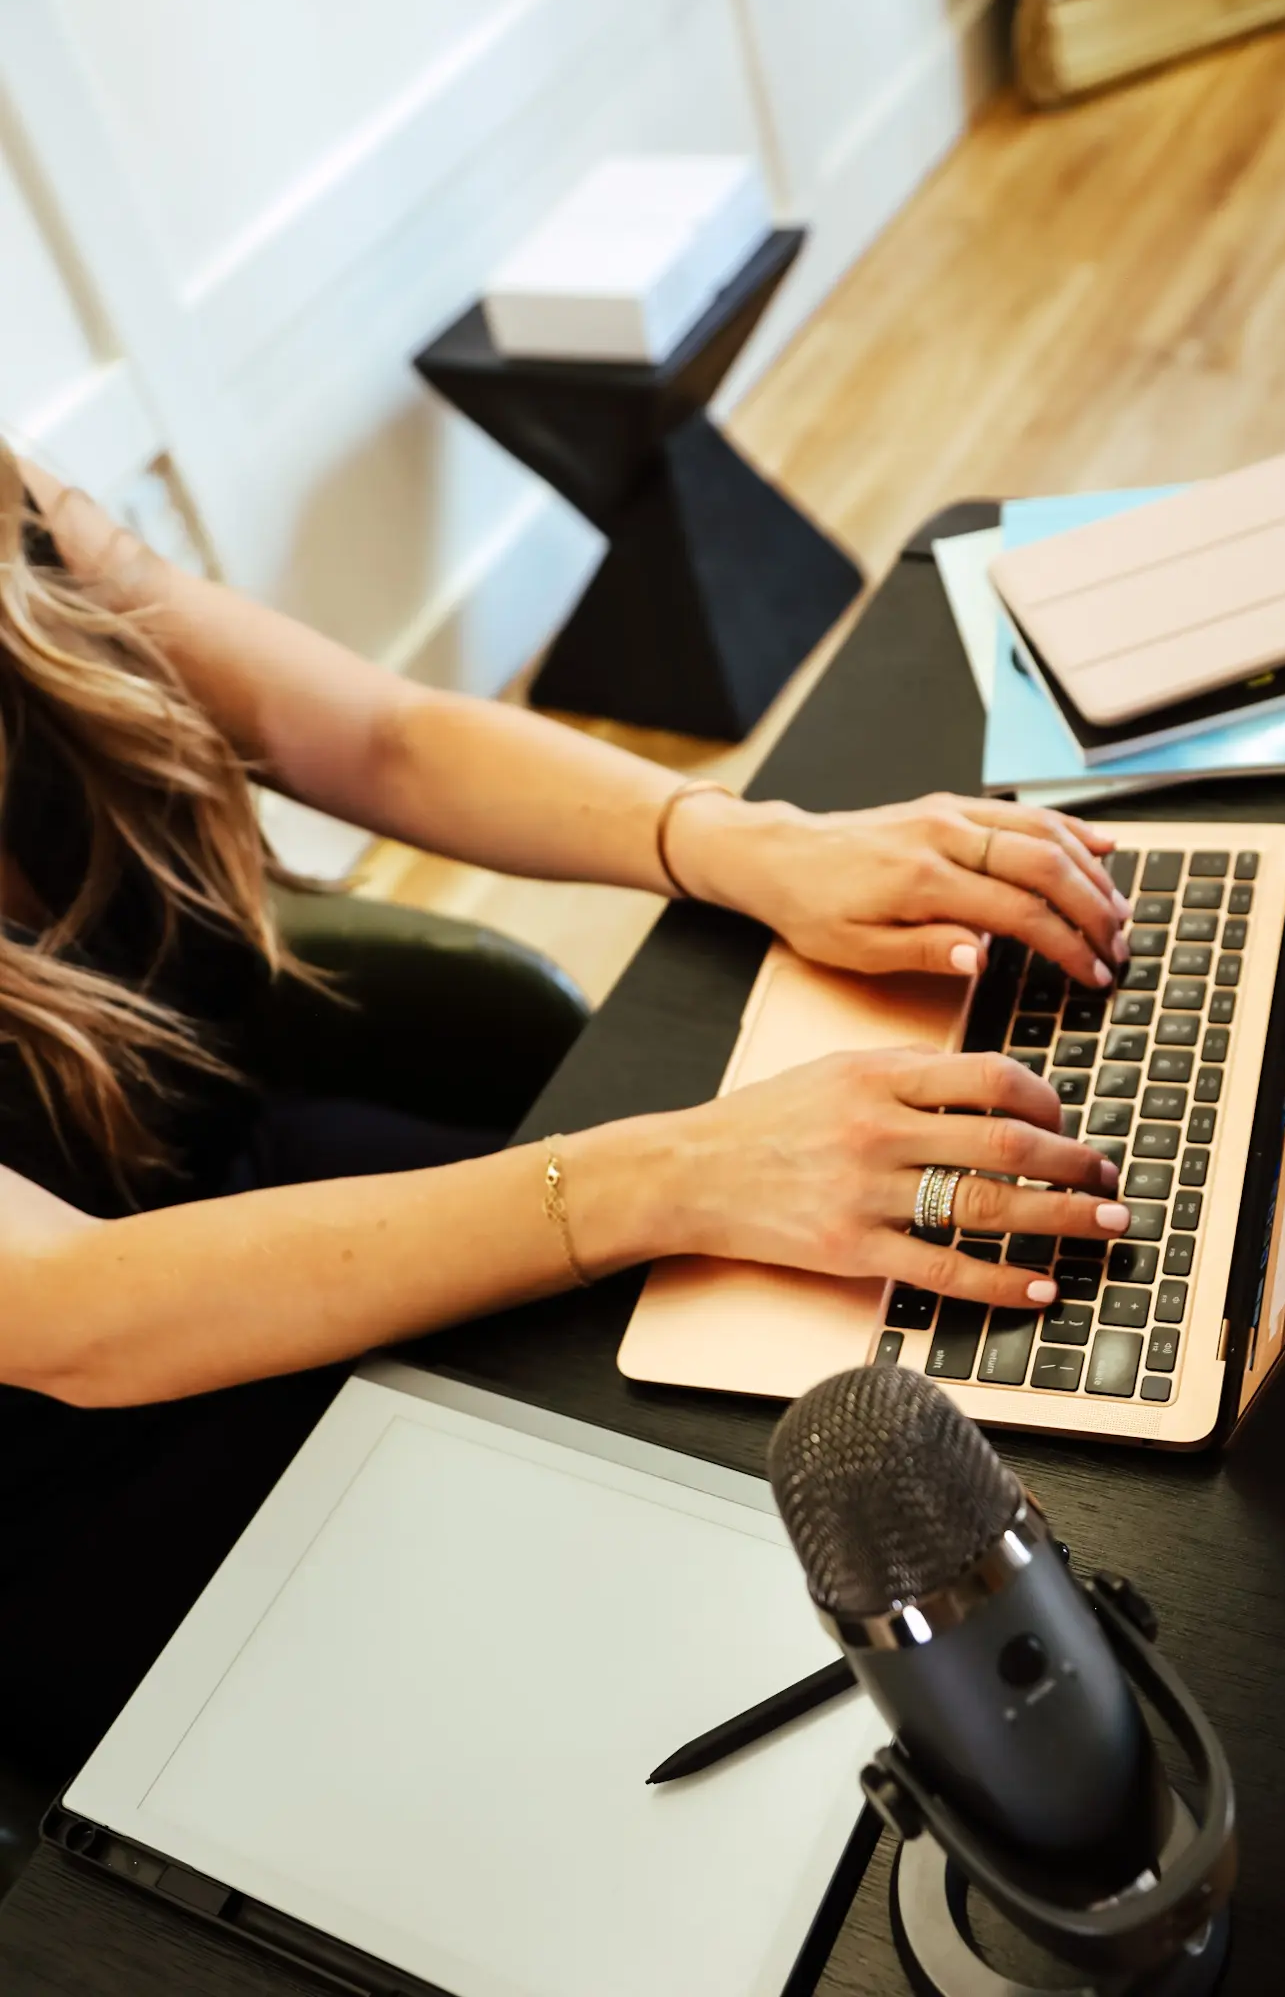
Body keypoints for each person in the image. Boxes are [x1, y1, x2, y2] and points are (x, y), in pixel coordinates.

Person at [0, 444, 1133, 1775]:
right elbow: (69, 1310)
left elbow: (375, 733)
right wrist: (681, 1169)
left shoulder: (22, 513)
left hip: (250, 1179)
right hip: (79, 1493)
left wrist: (738, 837)